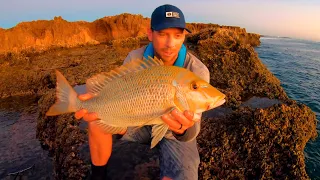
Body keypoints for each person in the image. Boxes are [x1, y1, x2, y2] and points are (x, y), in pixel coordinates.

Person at [75, 4, 210, 180]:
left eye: (177, 35)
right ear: (150, 34)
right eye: (162, 34)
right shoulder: (135, 59)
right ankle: (98, 176)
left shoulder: (196, 71)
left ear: (184, 36)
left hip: (173, 134)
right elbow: (119, 91)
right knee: (97, 120)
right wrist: (101, 102)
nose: (170, 44)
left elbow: (192, 131)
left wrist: (182, 130)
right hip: (137, 121)